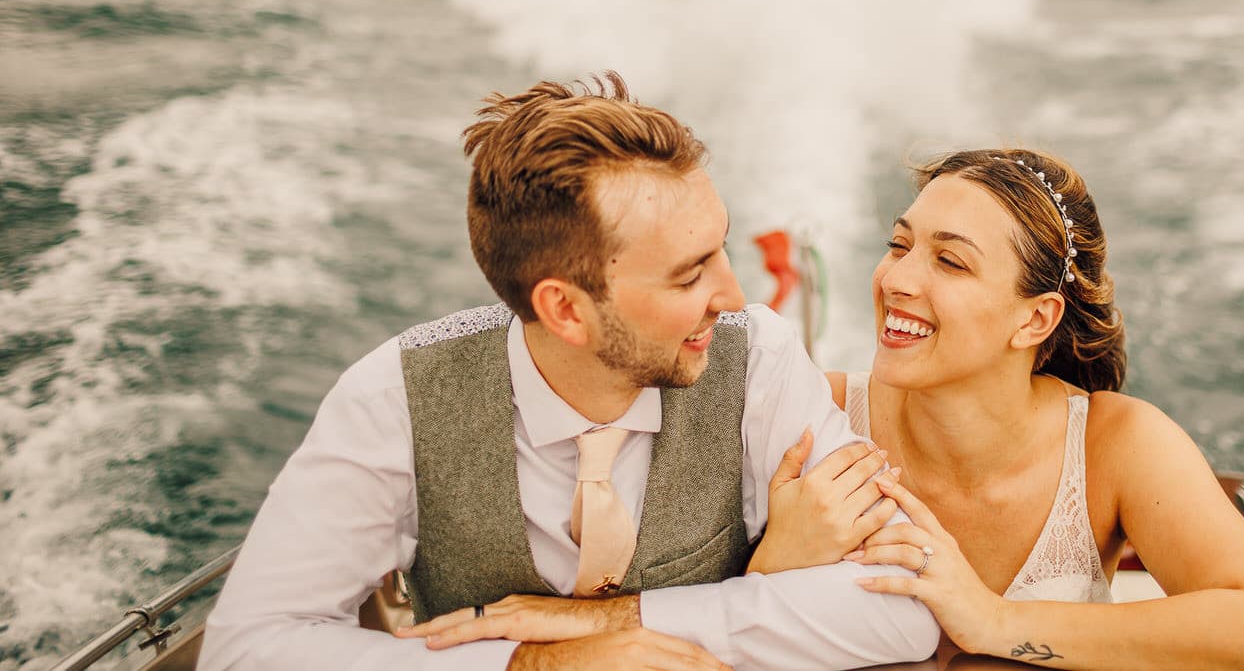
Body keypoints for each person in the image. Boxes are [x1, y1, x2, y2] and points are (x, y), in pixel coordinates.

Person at [200, 74, 939, 671]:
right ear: (566, 310)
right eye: (689, 277)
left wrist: (608, 621)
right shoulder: (393, 397)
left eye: (720, 250)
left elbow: (908, 612)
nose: (733, 297)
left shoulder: (762, 363)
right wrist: (536, 666)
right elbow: (247, 648)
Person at [750, 149, 1244, 670]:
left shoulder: (1116, 444)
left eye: (950, 261)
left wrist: (992, 621)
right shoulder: (807, 415)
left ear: (1034, 319)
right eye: (899, 246)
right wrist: (768, 569)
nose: (896, 278)